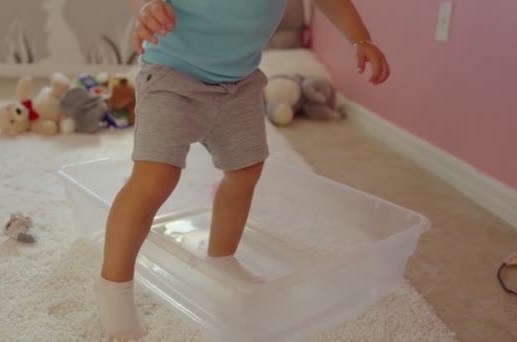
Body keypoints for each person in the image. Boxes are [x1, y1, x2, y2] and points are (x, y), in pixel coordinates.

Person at [95, 0, 390, 340]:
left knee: (246, 170)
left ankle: (222, 258)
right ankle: (113, 287)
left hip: (240, 82)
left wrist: (360, 39)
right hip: (172, 73)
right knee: (155, 176)